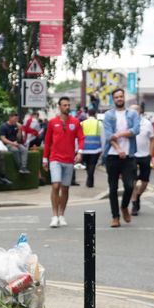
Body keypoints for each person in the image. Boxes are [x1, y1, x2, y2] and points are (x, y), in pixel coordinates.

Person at [42, 96, 84, 228]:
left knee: (65, 188)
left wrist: (80, 152)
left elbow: (81, 138)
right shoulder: (52, 122)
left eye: (68, 105)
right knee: (56, 185)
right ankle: (54, 216)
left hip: (69, 160)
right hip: (55, 158)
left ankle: (61, 215)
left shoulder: (76, 122)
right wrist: (44, 159)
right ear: (59, 107)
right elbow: (47, 142)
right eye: (64, 105)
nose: (67, 107)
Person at [102, 88, 140, 227]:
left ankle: (124, 207)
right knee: (112, 188)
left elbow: (136, 130)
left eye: (121, 96)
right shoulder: (108, 115)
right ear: (113, 99)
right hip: (112, 155)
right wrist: (118, 149)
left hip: (129, 155)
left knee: (129, 186)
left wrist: (120, 134)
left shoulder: (133, 114)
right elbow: (108, 135)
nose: (119, 99)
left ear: (124, 98)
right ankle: (115, 217)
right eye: (116, 97)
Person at [131, 105, 154, 216]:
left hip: (145, 155)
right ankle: (134, 203)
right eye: (131, 110)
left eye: (136, 109)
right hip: (132, 156)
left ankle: (138, 196)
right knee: (133, 181)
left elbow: (152, 139)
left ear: (140, 111)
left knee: (145, 182)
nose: (134, 111)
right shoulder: (128, 123)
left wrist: (150, 154)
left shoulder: (147, 123)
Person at [80, 111, 104, 188]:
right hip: (95, 148)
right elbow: (102, 137)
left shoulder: (82, 123)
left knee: (87, 165)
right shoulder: (99, 123)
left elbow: (79, 136)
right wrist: (102, 148)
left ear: (88, 114)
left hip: (84, 148)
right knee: (92, 165)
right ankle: (90, 181)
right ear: (95, 114)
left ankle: (90, 181)